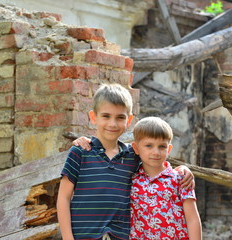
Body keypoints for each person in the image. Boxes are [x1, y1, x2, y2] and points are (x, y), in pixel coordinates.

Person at [57, 83, 194, 240]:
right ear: (93, 117)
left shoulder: (132, 156)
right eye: (106, 116)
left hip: (120, 236)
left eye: (120, 117)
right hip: (83, 235)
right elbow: (63, 198)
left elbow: (156, 166)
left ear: (129, 120)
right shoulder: (80, 152)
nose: (112, 124)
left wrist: (182, 169)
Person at [130, 116, 201, 240]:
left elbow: (192, 219)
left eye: (162, 146)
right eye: (149, 146)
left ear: (169, 149)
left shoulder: (181, 179)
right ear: (136, 148)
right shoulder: (130, 179)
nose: (156, 152)